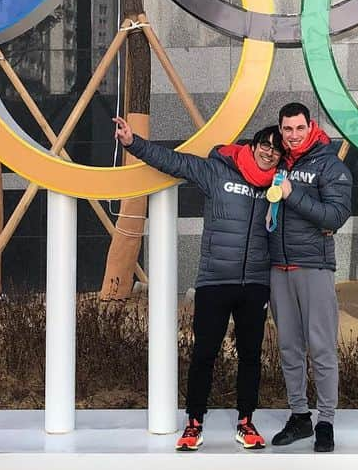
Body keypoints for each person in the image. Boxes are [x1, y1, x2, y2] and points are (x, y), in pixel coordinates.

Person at [114, 116, 284, 452]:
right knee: (204, 354)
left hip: (255, 284)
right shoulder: (217, 171)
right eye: (265, 145)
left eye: (276, 150)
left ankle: (246, 423)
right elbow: (175, 162)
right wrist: (134, 143)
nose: (270, 152)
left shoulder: (278, 185)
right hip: (214, 282)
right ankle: (194, 424)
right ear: (253, 146)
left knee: (250, 356)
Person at [268, 102, 353, 453]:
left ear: (310, 126)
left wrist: (292, 193)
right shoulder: (275, 158)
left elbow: (334, 216)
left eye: (298, 128)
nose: (292, 136)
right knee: (288, 346)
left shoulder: (329, 164)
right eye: (286, 130)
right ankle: (300, 415)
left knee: (321, 348)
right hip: (278, 267)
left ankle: (326, 422)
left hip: (314, 267)